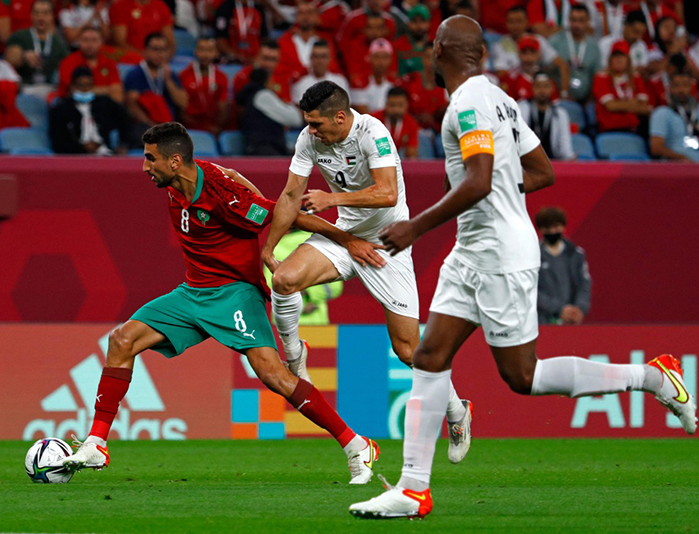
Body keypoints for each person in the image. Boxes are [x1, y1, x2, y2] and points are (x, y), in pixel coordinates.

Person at [350, 15, 696, 520]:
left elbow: (479, 180)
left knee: (523, 376)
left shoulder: (469, 103)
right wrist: (492, 195)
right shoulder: (501, 101)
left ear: (440, 50)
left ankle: (652, 377)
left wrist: (415, 227)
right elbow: (541, 171)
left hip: (500, 254)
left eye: (431, 48)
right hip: (472, 249)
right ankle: (413, 489)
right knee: (429, 356)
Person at [61, 122, 382, 485]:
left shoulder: (223, 197)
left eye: (151, 159)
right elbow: (227, 171)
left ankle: (356, 444)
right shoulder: (180, 180)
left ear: (174, 161)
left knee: (274, 376)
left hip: (234, 293)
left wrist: (348, 241)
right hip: (192, 292)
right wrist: (238, 179)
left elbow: (285, 214)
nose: (145, 166)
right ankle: (96, 443)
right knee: (122, 340)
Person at [261, 80, 473, 466]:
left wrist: (332, 198)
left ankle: (457, 411)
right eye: (307, 123)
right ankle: (295, 357)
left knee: (408, 351)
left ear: (340, 118)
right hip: (346, 235)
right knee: (284, 279)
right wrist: (268, 247)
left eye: (316, 124)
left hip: (388, 243)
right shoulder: (309, 140)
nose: (310, 131)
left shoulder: (373, 133)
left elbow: (387, 193)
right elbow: (290, 197)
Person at [263, 226, 344, 326]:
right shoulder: (323, 246)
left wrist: (296, 291)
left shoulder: (276, 248)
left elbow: (270, 286)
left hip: (284, 322)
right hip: (316, 322)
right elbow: (335, 288)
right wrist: (309, 292)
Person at [491, 5, 571, 99]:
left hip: (541, 88)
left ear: (527, 22)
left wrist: (564, 93)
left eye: (519, 21)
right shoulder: (500, 46)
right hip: (516, 92)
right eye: (511, 21)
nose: (515, 25)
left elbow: (562, 65)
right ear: (506, 23)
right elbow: (502, 75)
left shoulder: (538, 40)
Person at [49, 66, 131, 154]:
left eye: (88, 85)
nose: (85, 89)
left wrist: (123, 145)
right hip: (75, 155)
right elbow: (58, 140)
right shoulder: (61, 109)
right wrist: (82, 147)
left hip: (105, 153)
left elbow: (125, 121)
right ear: (72, 86)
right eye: (81, 85)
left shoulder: (105, 104)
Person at [535, 207, 591, 324]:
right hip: (542, 321)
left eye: (556, 227)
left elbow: (584, 284)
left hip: (571, 322)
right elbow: (531, 288)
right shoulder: (533, 255)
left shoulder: (576, 253)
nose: (552, 232)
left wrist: (579, 309)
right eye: (547, 228)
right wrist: (558, 309)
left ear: (563, 227)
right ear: (541, 229)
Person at [4, 0, 70, 98]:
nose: (40, 18)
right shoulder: (19, 36)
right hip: (25, 88)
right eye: (37, 13)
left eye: (45, 13)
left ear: (52, 16)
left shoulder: (60, 43)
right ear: (31, 15)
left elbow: (67, 69)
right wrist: (23, 56)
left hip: (52, 90)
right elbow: (10, 59)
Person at [649, 70, 699, 161]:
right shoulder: (662, 113)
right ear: (669, 88)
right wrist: (682, 158)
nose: (681, 90)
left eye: (685, 85)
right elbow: (656, 148)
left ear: (691, 86)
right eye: (676, 86)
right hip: (674, 163)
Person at [124, 33, 188, 133]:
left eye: (163, 49)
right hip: (144, 128)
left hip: (169, 127)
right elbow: (131, 105)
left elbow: (183, 103)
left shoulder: (171, 75)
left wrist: (168, 81)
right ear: (145, 50)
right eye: (155, 49)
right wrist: (152, 127)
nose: (159, 54)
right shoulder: (135, 74)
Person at [236, 67, 303, 156]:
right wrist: (286, 104)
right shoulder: (263, 96)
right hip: (265, 148)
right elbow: (296, 119)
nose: (273, 83)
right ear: (266, 81)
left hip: (261, 146)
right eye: (271, 80)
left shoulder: (251, 96)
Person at [592, 40, 650, 133]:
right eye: (615, 56)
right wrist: (633, 104)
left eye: (622, 56)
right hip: (609, 129)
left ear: (628, 59)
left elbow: (644, 107)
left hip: (634, 129)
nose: (619, 59)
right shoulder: (601, 78)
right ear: (610, 59)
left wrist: (619, 105)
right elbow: (611, 106)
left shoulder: (636, 77)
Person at [278, 0, 341, 84]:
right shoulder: (285, 41)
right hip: (294, 87)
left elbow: (333, 68)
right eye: (301, 13)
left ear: (316, 16)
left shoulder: (326, 42)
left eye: (309, 12)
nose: (305, 17)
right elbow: (281, 70)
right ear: (296, 16)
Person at [549, 3, 602, 103]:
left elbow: (596, 76)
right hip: (558, 98)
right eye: (574, 20)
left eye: (581, 20)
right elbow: (549, 72)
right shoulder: (556, 41)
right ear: (569, 20)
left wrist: (589, 101)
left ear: (588, 21)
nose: (577, 25)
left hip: (585, 101)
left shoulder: (593, 47)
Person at [179, 36, 229, 136]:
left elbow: (223, 108)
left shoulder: (221, 77)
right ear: (195, 52)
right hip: (189, 129)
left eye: (210, 50)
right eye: (201, 49)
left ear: (216, 53)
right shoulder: (184, 75)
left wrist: (217, 128)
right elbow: (181, 109)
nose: (205, 54)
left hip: (214, 129)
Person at [57, 27, 123, 103]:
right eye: (85, 40)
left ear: (101, 42)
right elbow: (74, 92)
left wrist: (87, 90)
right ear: (79, 41)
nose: (90, 45)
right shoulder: (68, 62)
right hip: (74, 104)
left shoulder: (109, 63)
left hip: (104, 106)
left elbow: (118, 97)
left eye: (94, 40)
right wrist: (108, 90)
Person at [519, 72, 575, 160]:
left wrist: (569, 157)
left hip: (552, 161)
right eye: (538, 86)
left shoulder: (560, 114)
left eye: (546, 86)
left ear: (552, 88)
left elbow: (564, 142)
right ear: (532, 88)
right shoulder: (522, 108)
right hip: (525, 161)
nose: (542, 90)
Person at [401, 45, 448, 132]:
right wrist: (417, 117)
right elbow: (401, 109)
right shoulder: (410, 81)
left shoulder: (446, 85)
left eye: (435, 58)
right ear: (422, 58)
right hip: (413, 130)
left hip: (438, 131)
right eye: (428, 57)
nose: (431, 62)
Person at [291, 39, 350, 105]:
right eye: (316, 56)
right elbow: (300, 109)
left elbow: (345, 106)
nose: (320, 61)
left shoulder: (340, 82)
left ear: (329, 59)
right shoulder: (300, 83)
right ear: (310, 59)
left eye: (323, 56)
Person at [109, 0, 174, 58]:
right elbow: (120, 42)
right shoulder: (121, 6)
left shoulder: (161, 6)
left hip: (154, 59)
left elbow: (170, 40)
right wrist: (144, 56)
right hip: (129, 58)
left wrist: (166, 55)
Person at [349, 38, 397, 114]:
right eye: (377, 57)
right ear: (370, 58)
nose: (381, 62)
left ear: (390, 59)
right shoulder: (359, 82)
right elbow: (363, 113)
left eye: (385, 57)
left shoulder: (395, 83)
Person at [598, 10, 650, 77]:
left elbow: (642, 69)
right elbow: (601, 69)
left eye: (641, 33)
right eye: (635, 31)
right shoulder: (606, 43)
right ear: (626, 26)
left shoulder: (641, 45)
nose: (637, 37)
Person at [372, 86, 420, 158]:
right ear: (386, 104)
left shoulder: (411, 123)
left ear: (407, 105)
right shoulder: (373, 120)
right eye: (392, 105)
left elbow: (411, 155)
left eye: (400, 105)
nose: (396, 110)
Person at [214, 0, 268, 65]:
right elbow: (220, 40)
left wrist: (257, 58)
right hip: (231, 61)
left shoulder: (258, 8)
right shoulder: (225, 8)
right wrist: (238, 57)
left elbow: (264, 38)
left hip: (255, 59)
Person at [393, 4, 431, 76]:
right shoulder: (399, 45)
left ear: (428, 23)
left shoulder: (434, 46)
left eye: (422, 21)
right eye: (415, 21)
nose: (419, 26)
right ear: (409, 24)